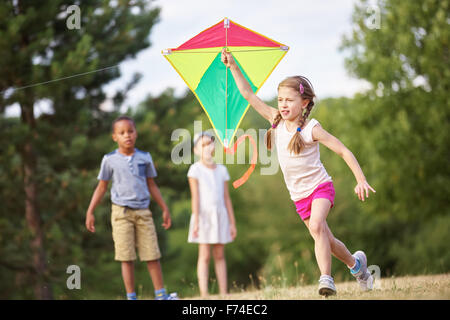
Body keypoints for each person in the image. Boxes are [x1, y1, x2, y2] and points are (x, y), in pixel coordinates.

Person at [221, 48, 376, 297]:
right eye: (280, 99)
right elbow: (248, 94)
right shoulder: (275, 120)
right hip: (299, 196)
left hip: (320, 187)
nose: (283, 104)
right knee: (327, 239)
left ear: (303, 103)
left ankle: (326, 280)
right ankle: (357, 267)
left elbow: (343, 151)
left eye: (289, 100)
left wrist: (360, 179)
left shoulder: (312, 129)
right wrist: (233, 66)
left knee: (317, 226)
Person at [85, 115, 177, 300]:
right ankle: (131, 297)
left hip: (143, 212)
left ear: (136, 133)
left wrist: (164, 208)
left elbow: (152, 185)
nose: (127, 135)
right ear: (115, 137)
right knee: (126, 256)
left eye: (130, 131)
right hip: (121, 213)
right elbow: (101, 187)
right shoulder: (109, 160)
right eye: (122, 132)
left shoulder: (145, 158)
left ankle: (161, 295)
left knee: (152, 254)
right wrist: (90, 211)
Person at [187, 131, 237, 298]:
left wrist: (232, 222)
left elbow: (226, 198)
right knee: (205, 255)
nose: (208, 147)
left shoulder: (222, 170)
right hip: (203, 216)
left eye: (210, 143)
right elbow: (195, 197)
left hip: (220, 215)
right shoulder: (195, 170)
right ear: (196, 150)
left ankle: (224, 292)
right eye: (203, 145)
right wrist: (196, 221)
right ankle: (204, 293)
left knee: (220, 254)